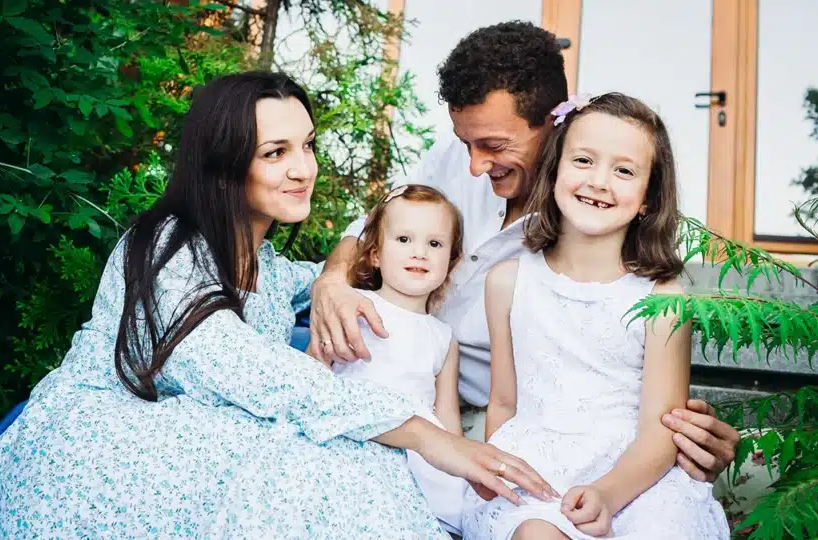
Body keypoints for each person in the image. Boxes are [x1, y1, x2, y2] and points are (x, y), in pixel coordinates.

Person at [0, 71, 550, 538]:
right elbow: (253, 371)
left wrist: (333, 280)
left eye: (307, 146)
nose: (304, 168)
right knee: (337, 464)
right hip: (94, 459)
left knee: (350, 462)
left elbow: (335, 279)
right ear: (227, 162)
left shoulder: (267, 262)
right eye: (276, 152)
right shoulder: (168, 246)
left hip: (192, 438)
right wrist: (434, 439)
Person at [309, 21, 740, 483]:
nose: (474, 165)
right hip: (385, 376)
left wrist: (681, 433)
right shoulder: (455, 158)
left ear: (554, 123)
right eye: (465, 143)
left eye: (493, 146)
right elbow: (369, 227)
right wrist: (332, 281)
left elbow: (616, 355)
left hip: (488, 417)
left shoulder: (594, 219)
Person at [461, 92, 730, 539]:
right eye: (583, 160)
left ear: (648, 198)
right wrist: (494, 469)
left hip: (636, 478)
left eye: (624, 170)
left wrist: (607, 493)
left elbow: (662, 429)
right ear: (555, 172)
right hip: (537, 471)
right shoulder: (507, 282)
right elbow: (504, 404)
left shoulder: (664, 297)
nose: (599, 181)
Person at [329, 184, 517, 535]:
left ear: (451, 262)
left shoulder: (443, 338)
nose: (419, 253)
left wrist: (463, 470)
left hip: (418, 458)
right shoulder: (351, 305)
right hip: (351, 438)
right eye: (403, 240)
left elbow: (447, 420)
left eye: (434, 244)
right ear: (374, 253)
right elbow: (311, 374)